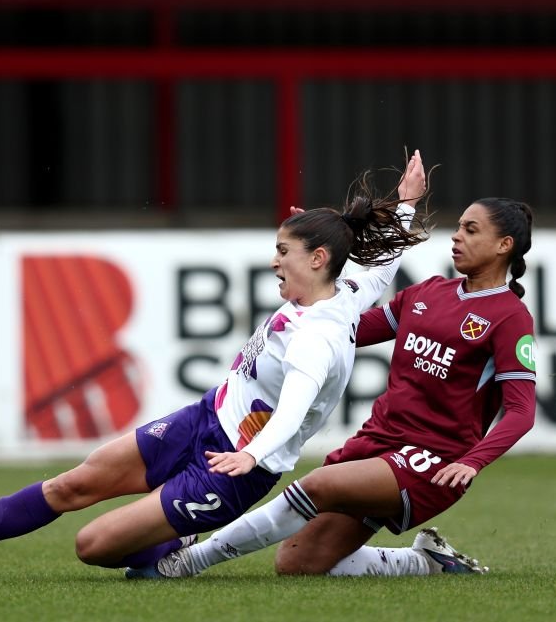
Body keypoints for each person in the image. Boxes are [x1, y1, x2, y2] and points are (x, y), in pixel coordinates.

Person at [0, 151, 430, 575]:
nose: (273, 262)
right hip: (202, 419)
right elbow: (382, 267)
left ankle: (185, 542)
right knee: (74, 485)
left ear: (317, 259)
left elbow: (294, 409)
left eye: (283, 252)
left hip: (234, 467)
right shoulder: (346, 290)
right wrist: (405, 201)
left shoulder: (320, 337)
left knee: (91, 546)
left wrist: (253, 455)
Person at [139, 196, 536, 579]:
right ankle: (426, 561)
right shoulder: (428, 293)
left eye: (471, 229)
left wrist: (472, 462)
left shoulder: (509, 318)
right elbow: (342, 329)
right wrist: (318, 266)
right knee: (297, 562)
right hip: (378, 441)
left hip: (432, 458)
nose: (456, 236)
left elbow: (521, 412)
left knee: (319, 485)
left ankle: (188, 561)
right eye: (459, 227)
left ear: (504, 245)